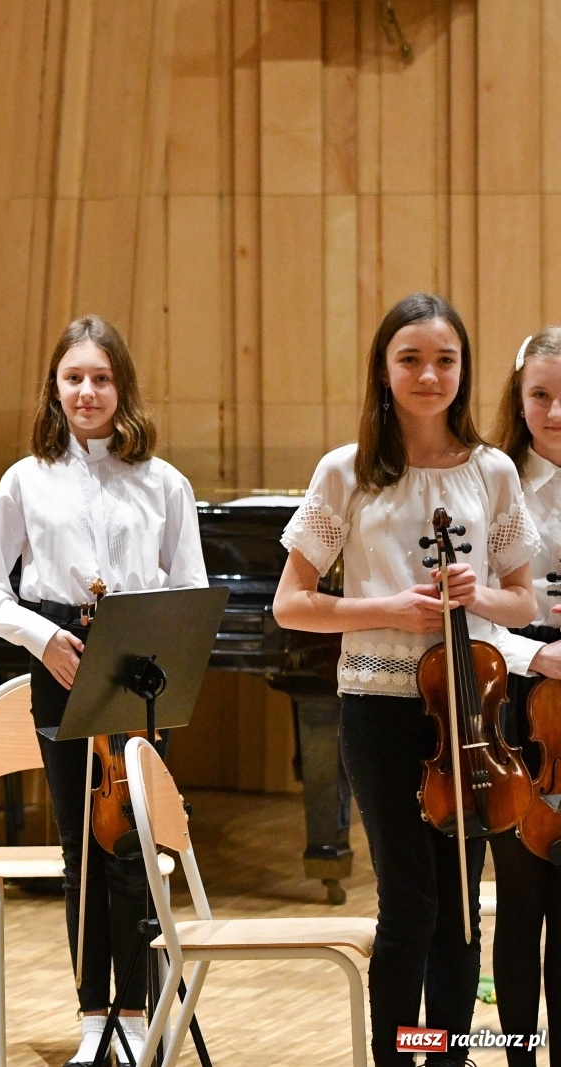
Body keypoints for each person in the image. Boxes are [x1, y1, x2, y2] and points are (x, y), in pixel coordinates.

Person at [273, 293, 539, 1066]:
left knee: (461, 906)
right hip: (381, 708)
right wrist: (388, 605)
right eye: (411, 359)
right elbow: (293, 603)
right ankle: (397, 1055)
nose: (430, 375)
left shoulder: (491, 471)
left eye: (445, 359)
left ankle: (445, 1056)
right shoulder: (347, 471)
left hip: (472, 714)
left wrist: (476, 594)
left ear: (464, 369)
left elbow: (523, 598)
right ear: (384, 370)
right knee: (411, 901)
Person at [0, 314, 206, 1066]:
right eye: (73, 376)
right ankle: (92, 1015)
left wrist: (146, 652)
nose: (87, 390)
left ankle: (136, 1014)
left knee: (132, 844)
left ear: (121, 387)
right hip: (60, 655)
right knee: (81, 844)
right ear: (55, 387)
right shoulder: (24, 478)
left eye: (101, 377)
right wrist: (42, 640)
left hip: (137, 664)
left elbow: (191, 587)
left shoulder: (164, 481)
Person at [485, 327, 561, 1066]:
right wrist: (539, 649)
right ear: (520, 396)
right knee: (522, 902)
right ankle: (513, 1056)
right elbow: (475, 618)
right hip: (518, 706)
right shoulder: (496, 480)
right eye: (540, 394)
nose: (556, 410)